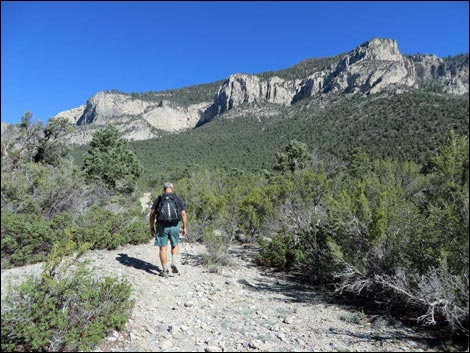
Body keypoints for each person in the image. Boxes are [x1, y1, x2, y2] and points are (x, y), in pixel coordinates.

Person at [149, 182, 187, 278]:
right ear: (172, 189)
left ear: (164, 189)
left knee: (163, 248)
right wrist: (184, 226)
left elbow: (152, 213)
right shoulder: (177, 198)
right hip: (175, 225)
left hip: (162, 226)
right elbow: (183, 213)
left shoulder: (159, 199)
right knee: (175, 244)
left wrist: (151, 227)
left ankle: (165, 270)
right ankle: (173, 262)